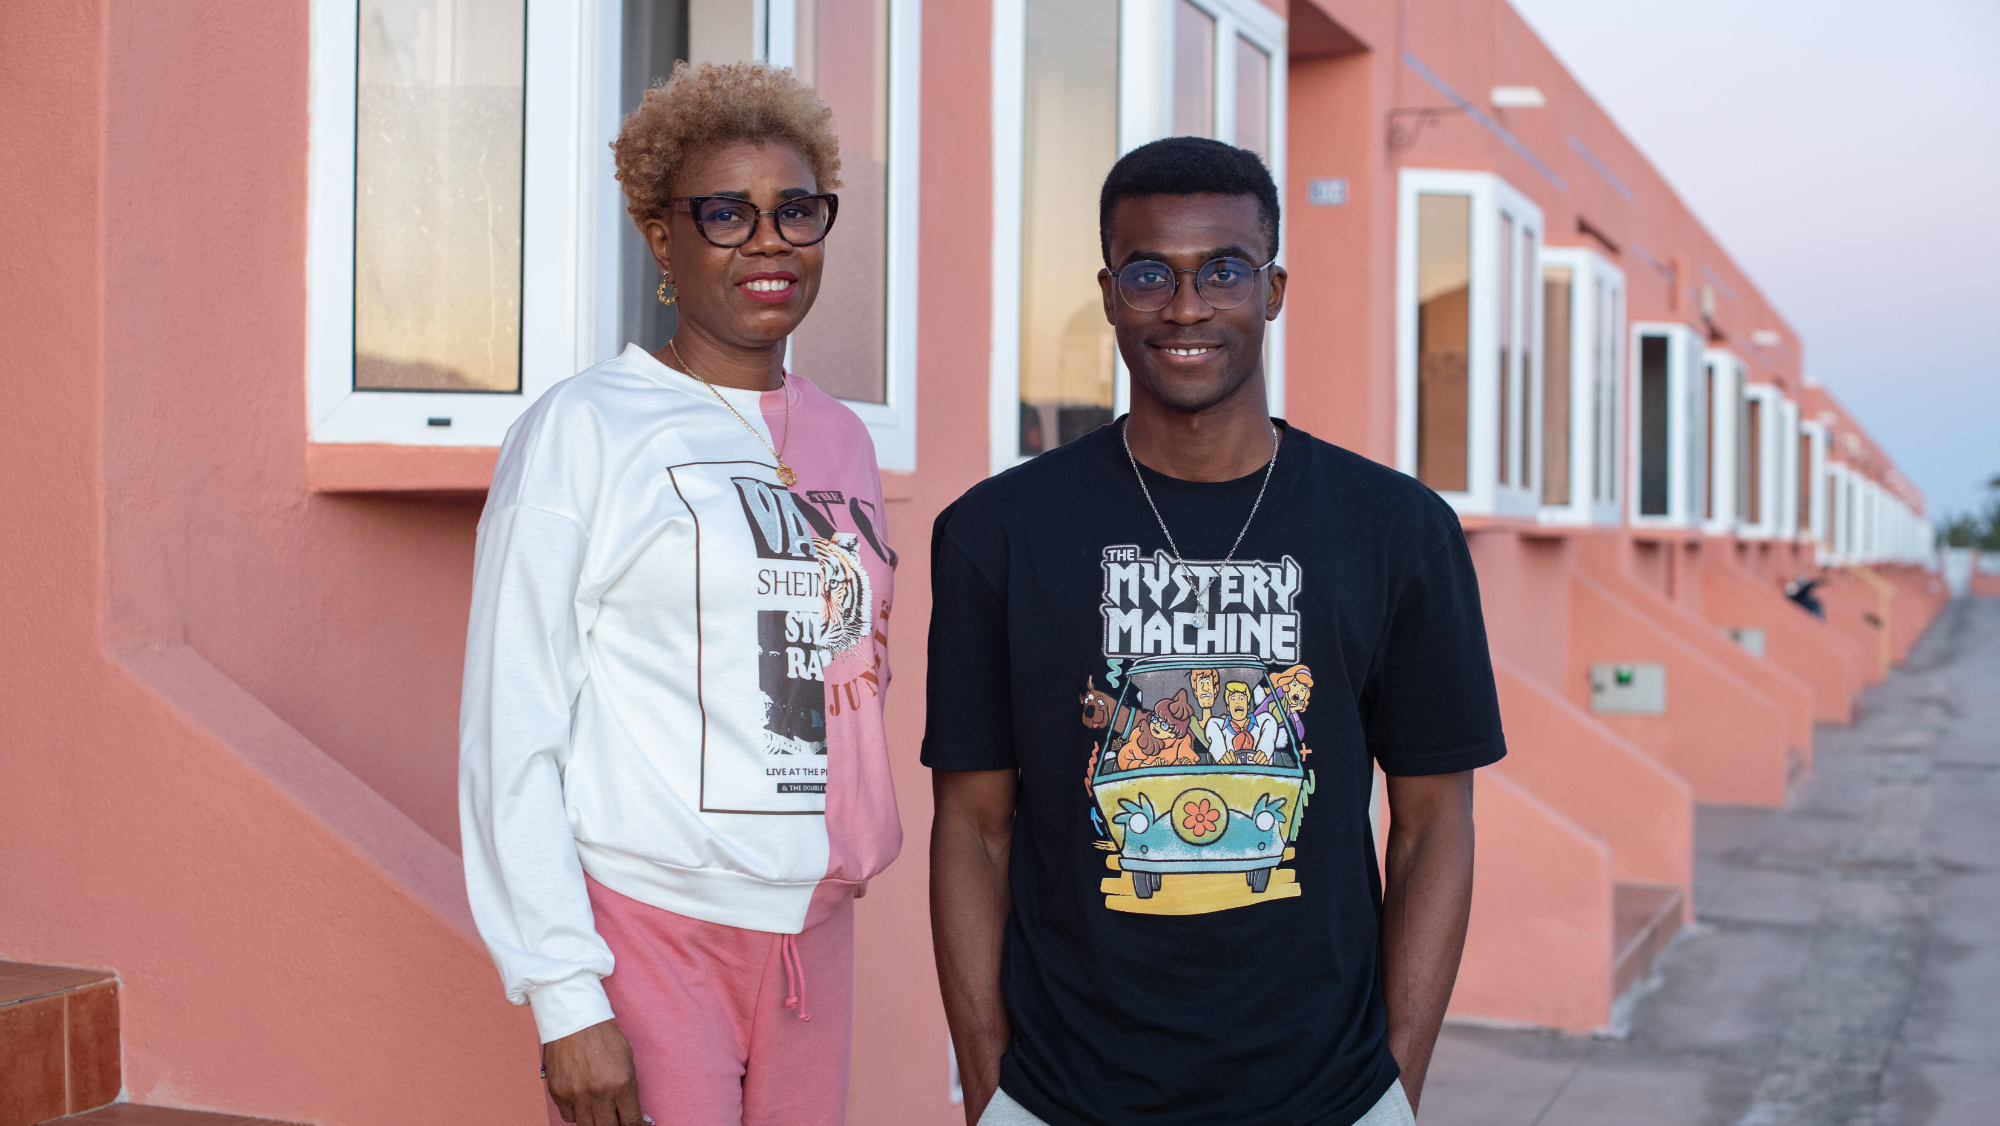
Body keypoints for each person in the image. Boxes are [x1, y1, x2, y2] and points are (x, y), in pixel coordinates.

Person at [924, 136, 1505, 1126]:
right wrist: (989, 1086)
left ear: (1272, 287)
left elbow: (1432, 822)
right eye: (1149, 272)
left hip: (1328, 1091)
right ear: (1107, 293)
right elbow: (973, 827)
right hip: (1061, 1093)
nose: (1185, 306)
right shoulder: (995, 532)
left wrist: (1392, 1085)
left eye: (1222, 270)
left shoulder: (1395, 530)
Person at [459, 61, 901, 1126]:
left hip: (812, 930)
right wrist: (566, 994)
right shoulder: (586, 430)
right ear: (662, 238)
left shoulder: (843, 435)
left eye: (794, 211)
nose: (767, 242)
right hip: (651, 925)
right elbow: (509, 724)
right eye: (725, 213)